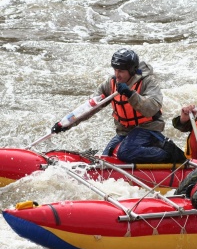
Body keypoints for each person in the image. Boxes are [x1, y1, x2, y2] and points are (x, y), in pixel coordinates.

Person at [51, 48, 186, 164]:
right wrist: (65, 123)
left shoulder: (148, 82)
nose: (117, 74)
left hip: (147, 129)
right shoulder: (110, 84)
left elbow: (151, 108)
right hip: (125, 131)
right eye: (115, 70)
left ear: (132, 70)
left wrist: (130, 94)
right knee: (106, 157)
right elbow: (90, 107)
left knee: (125, 152)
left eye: (121, 71)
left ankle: (167, 153)